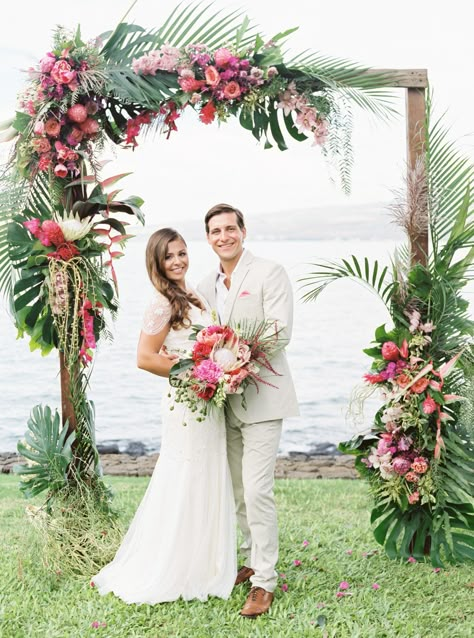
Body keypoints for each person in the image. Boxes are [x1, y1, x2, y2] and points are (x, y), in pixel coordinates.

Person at [91, 228, 236, 604]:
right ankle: (176, 565)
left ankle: (207, 562)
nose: (178, 261)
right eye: (169, 256)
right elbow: (145, 357)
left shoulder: (195, 294)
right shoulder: (162, 303)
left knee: (208, 473)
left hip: (208, 402)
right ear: (156, 262)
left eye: (182, 253)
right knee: (186, 475)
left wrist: (220, 366)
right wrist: (195, 373)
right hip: (186, 404)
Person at [197, 204, 299, 618]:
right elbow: (202, 336)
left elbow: (279, 331)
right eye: (215, 231)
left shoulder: (269, 273)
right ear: (208, 239)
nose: (224, 236)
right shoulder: (205, 284)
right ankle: (250, 559)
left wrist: (236, 357)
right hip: (224, 404)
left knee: (257, 491)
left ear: (243, 231)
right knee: (238, 491)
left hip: (262, 397)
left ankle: (265, 582)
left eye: (229, 228)